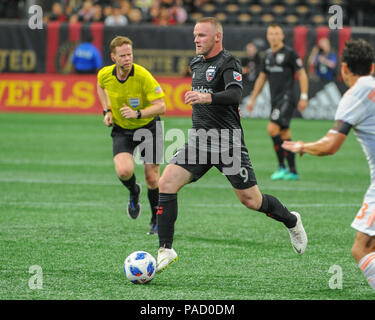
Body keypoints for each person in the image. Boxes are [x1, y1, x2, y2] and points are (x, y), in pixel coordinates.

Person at [155, 17, 307, 273]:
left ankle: (291, 220)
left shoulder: (229, 61)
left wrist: (207, 97)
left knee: (251, 200)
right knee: (166, 182)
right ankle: (166, 249)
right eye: (195, 35)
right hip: (200, 140)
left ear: (217, 37)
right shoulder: (196, 62)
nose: (196, 39)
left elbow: (236, 93)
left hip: (228, 143)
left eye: (201, 35)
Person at [282, 39, 375, 291]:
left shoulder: (354, 94)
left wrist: (303, 146)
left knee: (362, 249)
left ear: (344, 68)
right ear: (372, 66)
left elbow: (330, 145)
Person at [97, 36, 166, 235]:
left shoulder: (143, 76)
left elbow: (161, 106)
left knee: (152, 179)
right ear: (113, 57)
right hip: (122, 130)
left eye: (130, 54)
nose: (127, 58)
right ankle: (134, 192)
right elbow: (100, 86)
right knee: (123, 172)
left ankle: (155, 220)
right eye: (123, 55)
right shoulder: (105, 74)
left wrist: (138, 113)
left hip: (148, 128)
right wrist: (107, 110)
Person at [246, 23, 309, 181]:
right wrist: (253, 98)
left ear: (282, 36)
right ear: (267, 36)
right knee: (285, 133)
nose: (273, 36)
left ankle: (281, 167)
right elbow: (262, 78)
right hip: (275, 100)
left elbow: (302, 74)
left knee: (272, 128)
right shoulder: (267, 55)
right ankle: (292, 171)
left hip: (287, 98)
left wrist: (304, 96)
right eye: (271, 33)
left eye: (276, 33)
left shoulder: (290, 54)